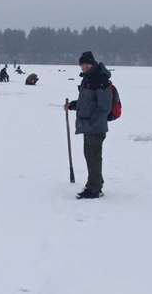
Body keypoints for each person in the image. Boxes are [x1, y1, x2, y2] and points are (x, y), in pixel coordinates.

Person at [65, 51, 112, 199]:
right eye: (82, 64)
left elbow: (104, 106)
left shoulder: (100, 79)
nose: (84, 66)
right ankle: (96, 182)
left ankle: (94, 189)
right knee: (91, 156)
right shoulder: (88, 79)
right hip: (89, 126)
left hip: (94, 127)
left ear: (92, 63)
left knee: (93, 157)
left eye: (87, 63)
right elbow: (87, 103)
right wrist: (73, 105)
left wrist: (93, 123)